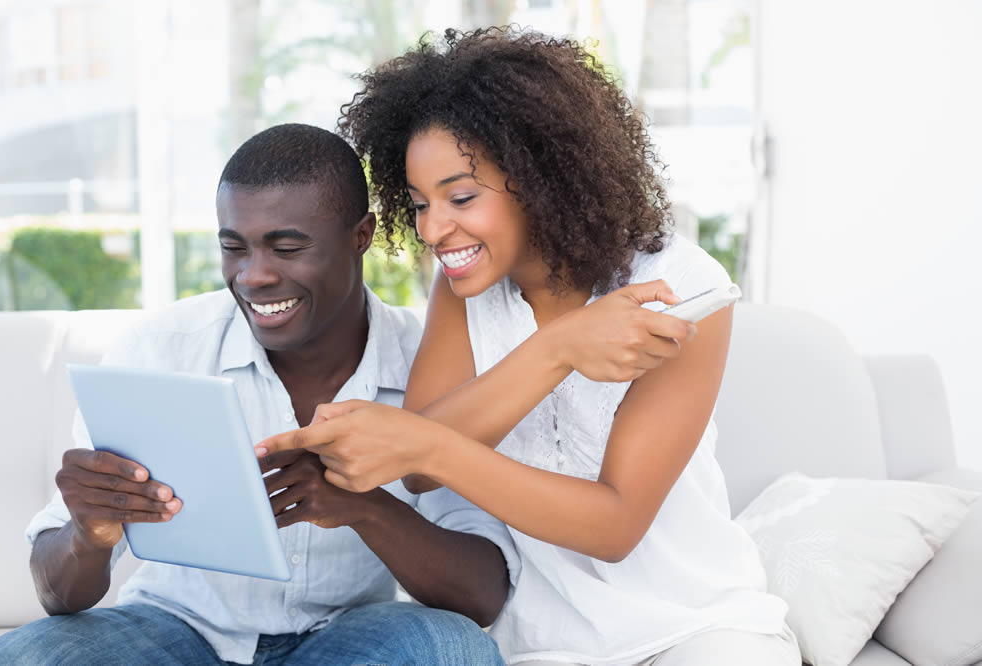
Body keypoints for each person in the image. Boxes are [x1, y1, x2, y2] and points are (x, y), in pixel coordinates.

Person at [256, 28, 801, 665]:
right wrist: (557, 350)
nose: (434, 229)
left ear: (543, 177)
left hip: (697, 627)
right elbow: (420, 471)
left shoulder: (680, 284)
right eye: (419, 204)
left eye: (460, 197)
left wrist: (422, 437)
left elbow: (614, 526)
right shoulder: (463, 290)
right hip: (538, 641)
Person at [0, 123, 516, 666]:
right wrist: (86, 534)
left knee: (450, 650)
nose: (253, 276)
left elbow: (482, 594)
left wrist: (364, 507)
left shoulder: (431, 367)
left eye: (287, 247)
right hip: (172, 631)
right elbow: (56, 595)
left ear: (361, 236)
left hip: (349, 640)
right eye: (234, 248)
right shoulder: (162, 350)